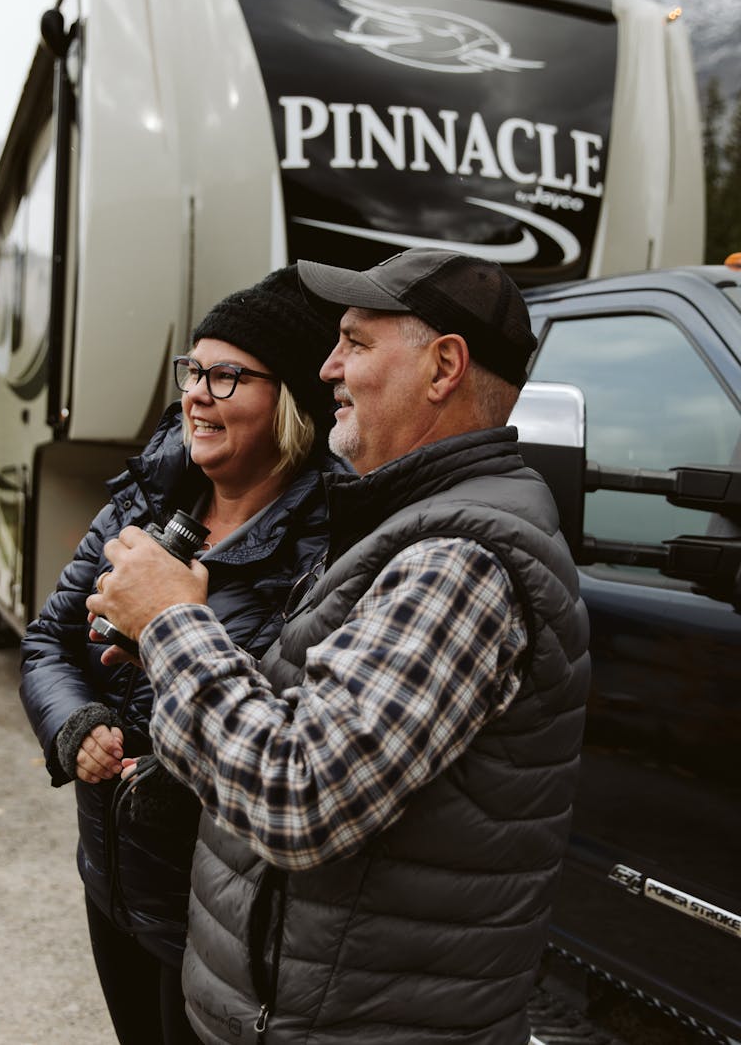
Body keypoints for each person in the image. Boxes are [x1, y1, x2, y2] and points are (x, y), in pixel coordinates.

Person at [87, 247, 591, 1045]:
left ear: (444, 366)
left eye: (355, 342)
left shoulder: (460, 563)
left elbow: (300, 792)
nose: (327, 367)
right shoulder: (402, 528)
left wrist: (171, 624)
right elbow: (313, 723)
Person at [19, 264, 343, 1045]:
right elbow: (48, 641)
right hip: (115, 876)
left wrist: (181, 772)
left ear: (291, 400)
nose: (197, 392)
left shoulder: (325, 544)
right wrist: (75, 722)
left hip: (223, 913)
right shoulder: (145, 499)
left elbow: (290, 722)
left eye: (227, 375)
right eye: (193, 370)